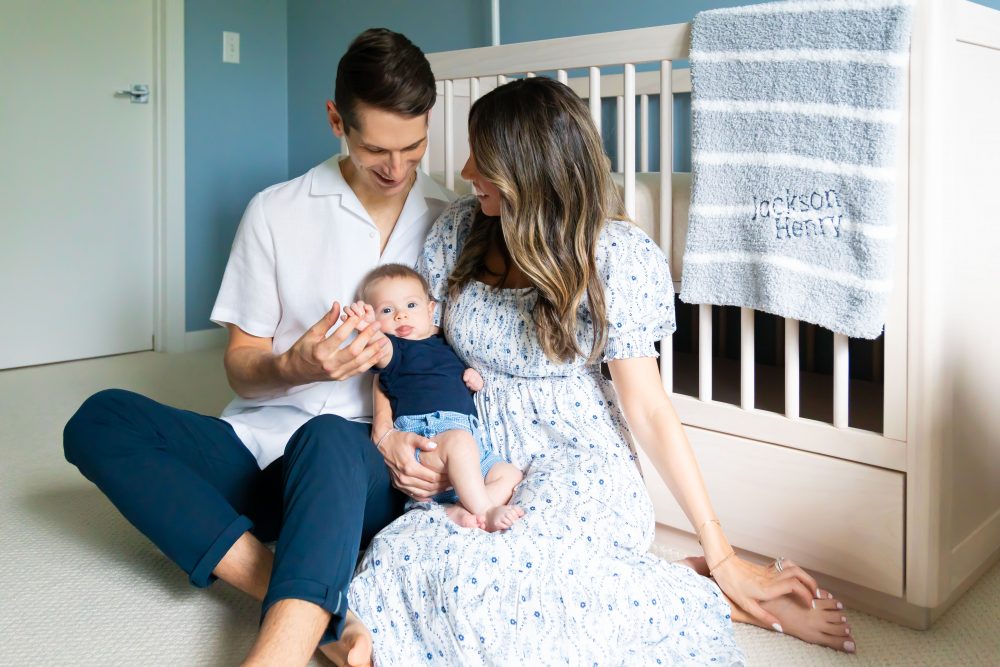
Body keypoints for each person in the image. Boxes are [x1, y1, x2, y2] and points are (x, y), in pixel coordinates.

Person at [343, 77, 856, 665]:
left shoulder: (613, 254)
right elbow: (407, 352)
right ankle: (656, 578)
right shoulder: (458, 232)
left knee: (529, 589)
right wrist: (395, 436)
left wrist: (722, 552)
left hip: (574, 449)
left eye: (480, 160)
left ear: (526, 171)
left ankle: (697, 587)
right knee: (416, 564)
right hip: (478, 449)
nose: (464, 171)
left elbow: (649, 408)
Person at [62, 28, 455, 667]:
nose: (396, 168)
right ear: (336, 120)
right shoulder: (276, 212)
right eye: (376, 148)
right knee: (100, 419)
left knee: (327, 435)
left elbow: (467, 367)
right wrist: (293, 365)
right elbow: (242, 371)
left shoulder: (454, 217)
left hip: (365, 464)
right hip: (260, 448)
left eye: (413, 147)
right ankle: (323, 613)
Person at [345, 263, 525, 532]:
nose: (400, 316)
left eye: (411, 306)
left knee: (510, 474)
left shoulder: (446, 343)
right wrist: (369, 332)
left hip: (469, 442)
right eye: (387, 310)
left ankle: (459, 511)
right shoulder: (396, 350)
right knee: (461, 443)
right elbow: (380, 350)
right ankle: (485, 511)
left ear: (431, 310)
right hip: (428, 437)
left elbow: (450, 375)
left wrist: (471, 377)